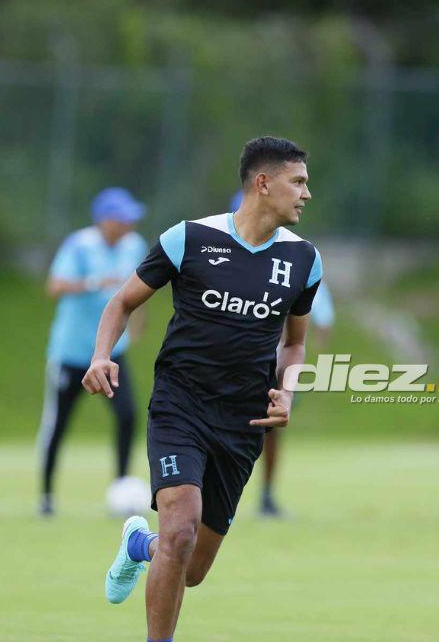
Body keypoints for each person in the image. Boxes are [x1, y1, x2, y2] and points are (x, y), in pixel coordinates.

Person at [82, 137, 322, 641]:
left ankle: (137, 548)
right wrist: (101, 355)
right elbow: (122, 303)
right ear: (263, 183)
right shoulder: (189, 239)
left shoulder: (304, 261)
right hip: (180, 407)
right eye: (297, 182)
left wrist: (289, 391)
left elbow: (294, 345)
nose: (306, 193)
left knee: (189, 566)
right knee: (181, 528)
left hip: (242, 423)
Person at [36, 186, 147, 518]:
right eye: (123, 218)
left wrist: (139, 318)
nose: (129, 225)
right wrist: (93, 282)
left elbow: (141, 285)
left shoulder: (134, 246)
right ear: (105, 220)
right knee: (58, 424)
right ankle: (46, 495)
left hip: (112, 353)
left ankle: (121, 487)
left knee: (128, 416)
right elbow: (54, 286)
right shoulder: (79, 246)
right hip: (71, 354)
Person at [228, 189, 335, 517]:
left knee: (270, 429)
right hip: (225, 363)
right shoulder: (219, 255)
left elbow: (313, 291)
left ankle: (267, 495)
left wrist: (322, 321)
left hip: (270, 363)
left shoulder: (290, 254)